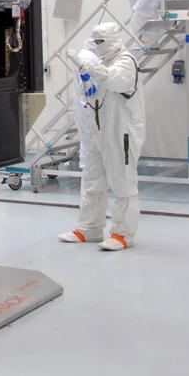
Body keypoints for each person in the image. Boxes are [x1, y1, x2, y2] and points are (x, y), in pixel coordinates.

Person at [59, 22, 145, 250]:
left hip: (121, 133)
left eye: (101, 42)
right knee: (92, 181)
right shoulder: (102, 61)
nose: (97, 46)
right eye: (95, 41)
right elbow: (94, 93)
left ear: (113, 40)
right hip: (98, 133)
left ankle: (123, 234)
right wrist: (85, 77)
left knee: (123, 182)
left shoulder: (126, 61)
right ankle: (90, 228)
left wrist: (87, 66)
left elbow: (114, 80)